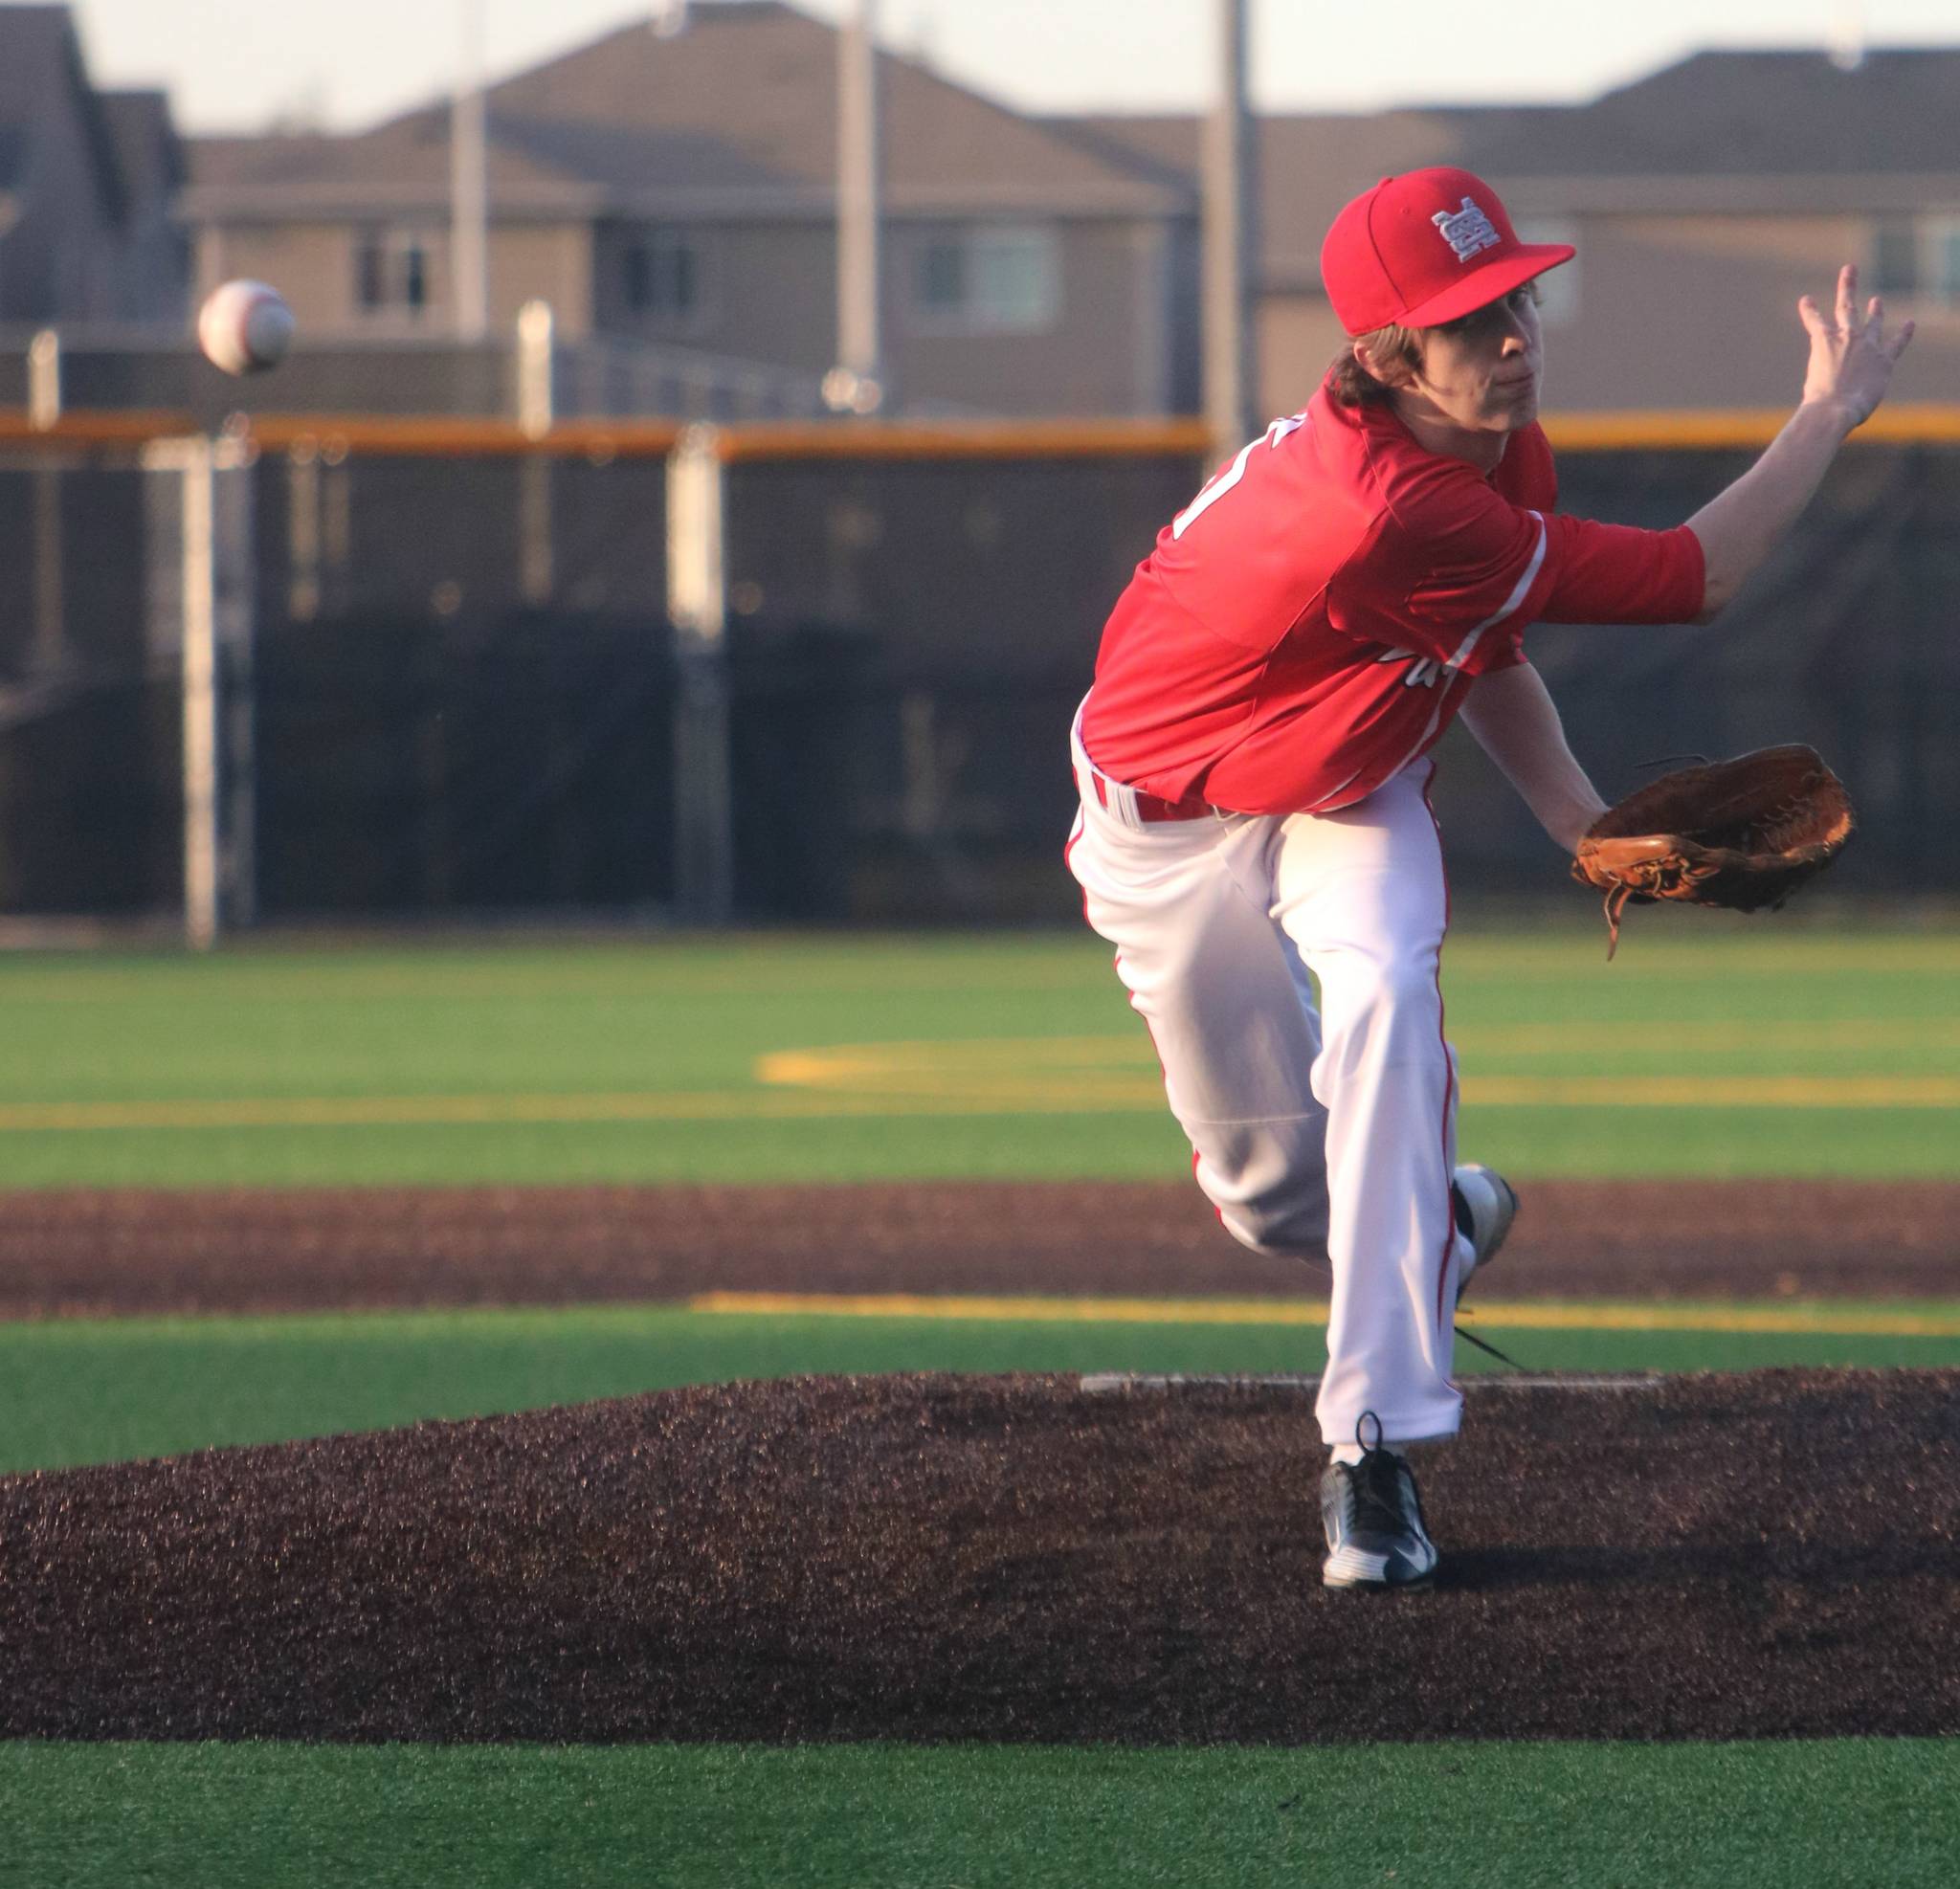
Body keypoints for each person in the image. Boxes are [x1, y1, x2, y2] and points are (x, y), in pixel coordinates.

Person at [1065, 166, 1912, 1590]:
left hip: (1347, 789)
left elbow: (1481, 647)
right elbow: (1695, 575)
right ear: (1390, 358)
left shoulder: (1489, 444)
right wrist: (1825, 413)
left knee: (1392, 988)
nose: (1513, 335)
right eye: (1468, 319)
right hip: (1168, 827)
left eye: (1512, 296)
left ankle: (1370, 1450)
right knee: (1281, 1201)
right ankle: (1441, 1222)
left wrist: (1583, 823)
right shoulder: (1375, 504)